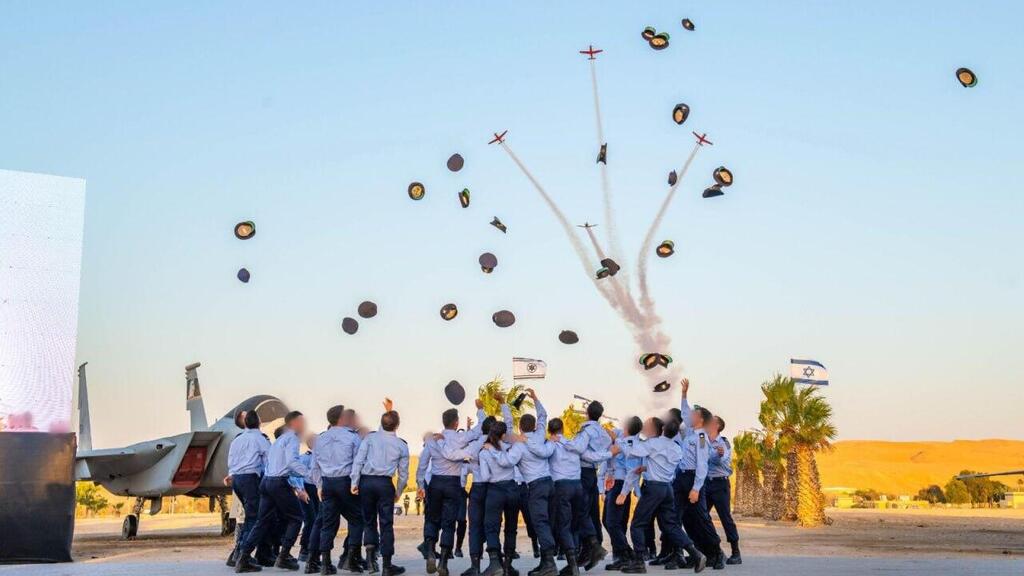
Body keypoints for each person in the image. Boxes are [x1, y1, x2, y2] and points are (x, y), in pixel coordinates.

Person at [614, 417, 706, 574]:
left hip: (653, 489)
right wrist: (646, 467)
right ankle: (695, 553)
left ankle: (638, 563)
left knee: (637, 524)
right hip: (667, 489)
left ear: (663, 429)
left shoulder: (653, 444)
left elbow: (631, 453)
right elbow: (662, 462)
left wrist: (620, 440)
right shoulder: (677, 448)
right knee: (670, 525)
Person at [528, 416, 609, 575]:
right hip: (577, 486)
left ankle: (573, 566)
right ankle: (594, 545)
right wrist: (609, 453)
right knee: (581, 517)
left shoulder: (550, 445)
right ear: (563, 429)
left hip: (561, 488)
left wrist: (527, 440)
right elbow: (590, 457)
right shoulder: (573, 444)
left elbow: (540, 453)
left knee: (563, 525)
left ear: (549, 431)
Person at [492, 388, 558, 576]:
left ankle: (549, 565)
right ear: (535, 426)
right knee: (545, 523)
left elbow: (506, 461)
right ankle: (545, 562)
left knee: (541, 524)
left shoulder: (519, 445)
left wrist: (492, 451)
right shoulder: (539, 436)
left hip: (535, 487)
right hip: (549, 484)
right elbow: (543, 415)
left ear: (520, 428)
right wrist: (535, 398)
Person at [235, 411, 310, 573]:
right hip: (278, 483)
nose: (304, 425)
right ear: (295, 423)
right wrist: (310, 475)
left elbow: (276, 465)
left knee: (261, 521)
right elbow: (291, 463)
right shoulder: (291, 439)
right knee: (296, 518)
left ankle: (243, 557)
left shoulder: (279, 441)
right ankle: (284, 556)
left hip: (266, 482)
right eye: (302, 422)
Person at [418, 403, 484, 576]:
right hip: (454, 484)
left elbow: (423, 463)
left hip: (436, 483)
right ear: (456, 423)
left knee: (432, 519)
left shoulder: (433, 439)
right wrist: (480, 409)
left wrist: (419, 484)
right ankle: (444, 562)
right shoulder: (461, 438)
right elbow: (479, 430)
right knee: (449, 524)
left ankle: (431, 551)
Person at [351, 398, 410, 576]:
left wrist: (354, 482)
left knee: (368, 521)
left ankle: (370, 561)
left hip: (367, 482)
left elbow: (359, 461)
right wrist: (398, 492)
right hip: (385, 484)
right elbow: (404, 474)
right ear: (397, 425)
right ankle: (387, 565)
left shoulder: (370, 439)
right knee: (386, 524)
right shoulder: (401, 445)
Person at [676, 381, 726, 569]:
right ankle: (699, 553)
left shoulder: (702, 437)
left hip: (694, 479)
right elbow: (683, 411)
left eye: (694, 414)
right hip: (682, 478)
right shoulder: (689, 431)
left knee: (702, 519)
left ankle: (717, 552)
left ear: (701, 420)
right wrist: (684, 394)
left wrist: (696, 488)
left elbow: (702, 464)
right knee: (687, 519)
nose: (691, 414)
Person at [313, 405, 365, 575]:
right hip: (345, 482)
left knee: (328, 524)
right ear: (341, 418)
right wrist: (355, 483)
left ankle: (325, 563)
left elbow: (315, 466)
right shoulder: (352, 437)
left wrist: (319, 485)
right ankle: (351, 559)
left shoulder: (320, 439)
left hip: (328, 483)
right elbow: (358, 463)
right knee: (357, 520)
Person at [225, 410, 270, 569]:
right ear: (258, 422)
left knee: (248, 517)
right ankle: (242, 556)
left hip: (237, 479)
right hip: (251, 479)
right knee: (254, 518)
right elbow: (269, 461)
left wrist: (231, 475)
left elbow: (231, 460)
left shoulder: (237, 440)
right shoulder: (260, 439)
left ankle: (239, 554)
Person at [478, 421, 520, 576]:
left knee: (491, 527)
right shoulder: (510, 448)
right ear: (503, 435)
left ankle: (495, 563)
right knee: (511, 527)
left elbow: (484, 476)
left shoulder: (484, 452)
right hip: (512, 489)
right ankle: (508, 565)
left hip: (495, 490)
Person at [602, 416, 643, 570]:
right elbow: (611, 435)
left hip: (621, 485)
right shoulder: (621, 437)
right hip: (614, 483)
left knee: (613, 523)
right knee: (608, 521)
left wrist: (625, 492)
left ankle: (627, 555)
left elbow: (632, 469)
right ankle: (622, 555)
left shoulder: (630, 443)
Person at [576, 401, 612, 565]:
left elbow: (581, 451)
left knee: (581, 511)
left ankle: (594, 546)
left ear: (587, 413)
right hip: (593, 472)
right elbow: (604, 451)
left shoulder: (587, 430)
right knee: (592, 512)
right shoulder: (603, 432)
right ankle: (590, 550)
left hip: (583, 471)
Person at [705, 416, 740, 565]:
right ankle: (714, 550)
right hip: (706, 484)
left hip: (720, 484)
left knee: (725, 518)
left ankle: (736, 553)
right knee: (701, 518)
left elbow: (721, 459)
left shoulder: (723, 442)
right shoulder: (702, 439)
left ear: (717, 425)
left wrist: (717, 455)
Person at [297, 434, 321, 567]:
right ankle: (304, 549)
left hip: (317, 488)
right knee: (310, 520)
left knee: (317, 520)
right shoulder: (304, 458)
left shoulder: (320, 457)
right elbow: (298, 475)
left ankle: (313, 550)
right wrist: (302, 490)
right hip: (307, 489)